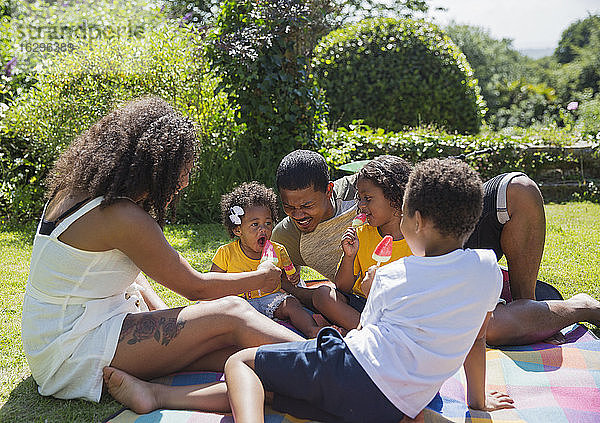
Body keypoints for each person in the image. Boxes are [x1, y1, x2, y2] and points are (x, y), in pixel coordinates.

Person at [21, 96, 304, 405]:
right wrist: (259, 277)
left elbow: (132, 279)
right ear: (155, 166)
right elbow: (195, 288)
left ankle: (159, 394)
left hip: (58, 339)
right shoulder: (122, 217)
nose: (184, 182)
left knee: (234, 353)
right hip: (73, 351)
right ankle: (334, 364)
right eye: (181, 171)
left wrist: (172, 319)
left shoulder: (77, 194)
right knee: (233, 313)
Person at [222, 158, 514, 422]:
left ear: (417, 219)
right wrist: (478, 402)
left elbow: (365, 343)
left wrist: (375, 288)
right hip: (397, 407)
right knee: (276, 391)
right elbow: (478, 340)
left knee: (240, 362)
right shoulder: (488, 268)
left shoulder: (393, 276)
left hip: (354, 376)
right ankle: (173, 396)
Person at [272, 150, 600, 346]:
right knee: (484, 330)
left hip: (436, 243)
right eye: (290, 208)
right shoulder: (289, 235)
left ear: (329, 190)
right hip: (402, 294)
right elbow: (287, 282)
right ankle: (540, 311)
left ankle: (528, 304)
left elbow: (394, 178)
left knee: (520, 188)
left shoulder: (357, 189)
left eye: (307, 205)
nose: (299, 214)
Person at [210, 181, 324, 338]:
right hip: (239, 304)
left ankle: (312, 330)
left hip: (270, 298)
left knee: (291, 304)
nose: (263, 229)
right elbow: (213, 282)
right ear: (238, 230)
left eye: (268, 223)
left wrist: (293, 277)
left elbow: (288, 275)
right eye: (255, 224)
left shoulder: (278, 250)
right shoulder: (226, 253)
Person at [312, 155, 413, 331]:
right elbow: (343, 287)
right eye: (360, 198)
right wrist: (349, 256)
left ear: (395, 199)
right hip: (362, 305)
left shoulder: (418, 240)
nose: (361, 205)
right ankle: (368, 331)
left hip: (400, 309)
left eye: (368, 198)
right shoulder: (362, 233)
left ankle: (361, 331)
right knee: (322, 295)